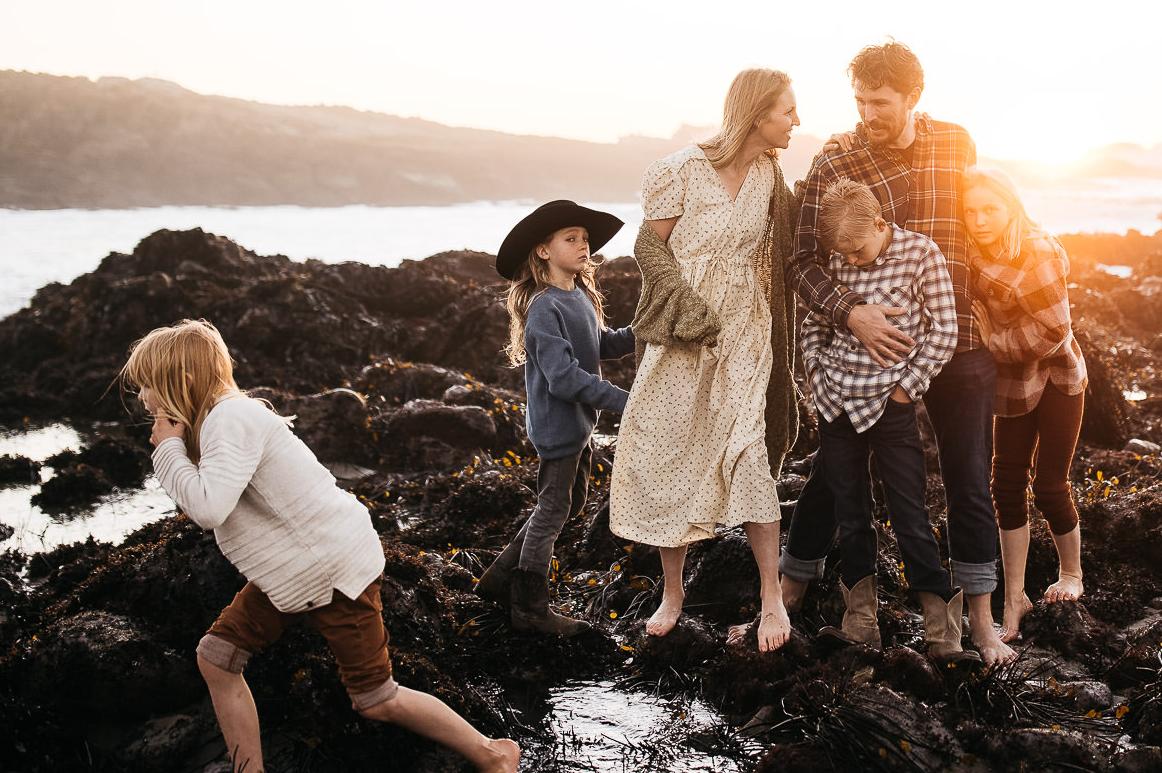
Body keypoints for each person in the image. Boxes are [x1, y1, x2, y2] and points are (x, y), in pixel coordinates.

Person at [125, 319, 519, 773]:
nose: (143, 398)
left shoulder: (230, 418)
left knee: (376, 697)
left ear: (184, 381)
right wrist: (178, 447)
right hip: (293, 573)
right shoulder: (223, 418)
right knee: (216, 658)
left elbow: (208, 509)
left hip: (331, 571)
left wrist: (168, 448)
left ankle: (494, 754)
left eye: (148, 386)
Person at [780, 39, 1017, 665]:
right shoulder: (835, 157)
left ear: (913, 97)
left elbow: (986, 221)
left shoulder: (955, 144)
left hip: (956, 338)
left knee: (969, 482)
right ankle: (790, 589)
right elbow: (802, 260)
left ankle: (981, 624)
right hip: (864, 357)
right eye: (859, 100)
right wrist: (848, 314)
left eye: (880, 102)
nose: (867, 113)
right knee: (834, 483)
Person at [610, 67, 803, 652]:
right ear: (756, 113)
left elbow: (798, 244)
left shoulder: (772, 177)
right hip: (686, 335)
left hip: (746, 332)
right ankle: (673, 594)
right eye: (787, 111)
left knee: (749, 452)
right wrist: (686, 305)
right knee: (675, 451)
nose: (797, 121)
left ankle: (772, 597)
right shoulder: (680, 170)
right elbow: (649, 245)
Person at [795, 179, 972, 661]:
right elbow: (812, 322)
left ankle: (943, 632)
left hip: (891, 408)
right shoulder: (838, 256)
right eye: (842, 254)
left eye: (857, 250)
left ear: (880, 223)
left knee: (910, 514)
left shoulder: (921, 254)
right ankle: (861, 622)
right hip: (837, 406)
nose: (850, 261)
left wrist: (904, 390)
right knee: (852, 516)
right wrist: (816, 376)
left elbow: (946, 329)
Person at [475, 201, 633, 636]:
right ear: (543, 251)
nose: (584, 246)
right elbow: (563, 378)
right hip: (558, 426)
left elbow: (601, 345)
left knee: (568, 503)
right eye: (572, 239)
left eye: (585, 239)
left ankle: (497, 579)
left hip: (580, 424)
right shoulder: (544, 308)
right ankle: (529, 608)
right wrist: (627, 401)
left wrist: (646, 331)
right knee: (553, 509)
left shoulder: (578, 296)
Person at [962, 165, 1089, 641]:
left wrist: (995, 339)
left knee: (1051, 485)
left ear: (1011, 206)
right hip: (1013, 386)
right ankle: (1014, 598)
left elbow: (1055, 332)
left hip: (1058, 380)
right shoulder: (970, 252)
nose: (979, 219)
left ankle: (1072, 573)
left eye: (990, 209)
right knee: (1006, 485)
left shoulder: (1035, 252)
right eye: (970, 211)